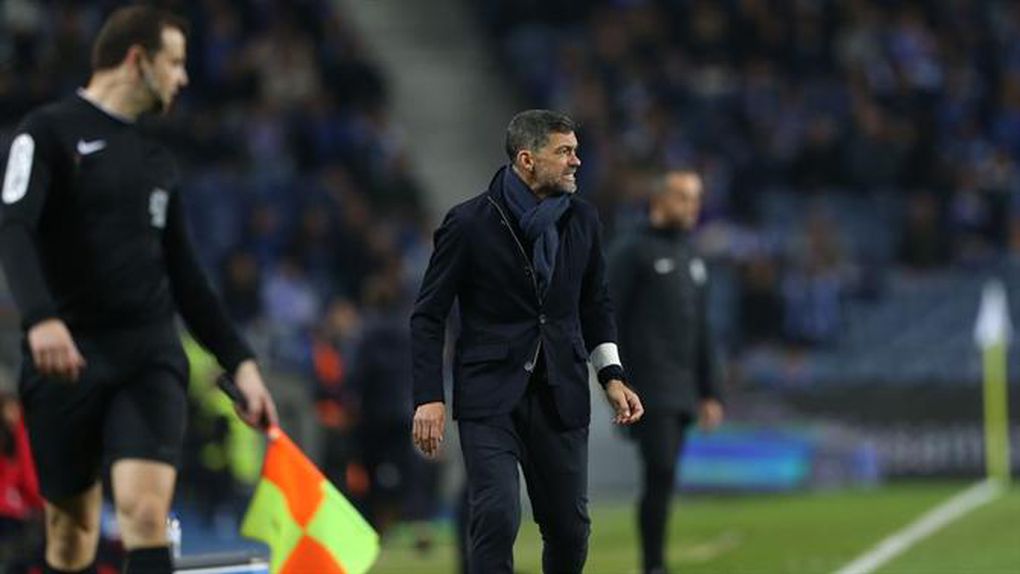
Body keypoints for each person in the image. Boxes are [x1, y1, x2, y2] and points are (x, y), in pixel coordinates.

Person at [0, 7, 278, 574]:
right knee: (70, 540)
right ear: (137, 60)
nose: (183, 77)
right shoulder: (45, 133)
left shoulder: (157, 162)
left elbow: (187, 278)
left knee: (146, 514)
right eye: (174, 62)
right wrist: (41, 319)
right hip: (65, 361)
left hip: (147, 357)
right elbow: (14, 227)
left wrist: (241, 362)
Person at [410, 109, 644, 574]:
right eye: (565, 152)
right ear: (527, 159)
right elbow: (428, 316)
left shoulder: (582, 220)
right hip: (489, 394)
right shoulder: (469, 223)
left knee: (570, 529)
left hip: (561, 392)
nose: (577, 161)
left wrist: (612, 375)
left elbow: (596, 304)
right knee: (496, 516)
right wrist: (429, 397)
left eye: (576, 150)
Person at [607, 170, 725, 574]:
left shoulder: (692, 256)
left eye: (697, 198)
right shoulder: (631, 251)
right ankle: (654, 565)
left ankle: (654, 563)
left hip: (683, 386)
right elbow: (608, 316)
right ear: (659, 200)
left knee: (665, 473)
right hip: (647, 385)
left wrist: (711, 391)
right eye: (684, 197)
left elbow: (702, 329)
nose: (693, 206)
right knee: (660, 468)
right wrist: (616, 377)